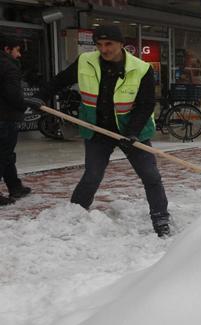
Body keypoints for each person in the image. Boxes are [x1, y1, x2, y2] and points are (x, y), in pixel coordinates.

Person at [29, 26, 171, 237]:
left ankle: (160, 218)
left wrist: (132, 133)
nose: (104, 49)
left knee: (150, 176)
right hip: (96, 130)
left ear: (121, 44)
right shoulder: (86, 61)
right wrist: (40, 96)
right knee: (92, 176)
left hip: (132, 131)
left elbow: (146, 104)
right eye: (99, 44)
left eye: (109, 44)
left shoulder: (141, 68)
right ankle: (74, 215)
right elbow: (60, 80)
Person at [0, 33, 31, 205]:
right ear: (7, 49)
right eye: (17, 51)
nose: (19, 55)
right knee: (3, 155)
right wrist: (23, 104)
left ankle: (15, 187)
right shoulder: (8, 66)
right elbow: (13, 94)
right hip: (5, 117)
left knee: (6, 155)